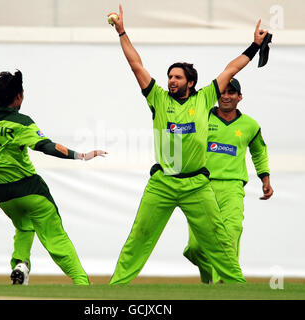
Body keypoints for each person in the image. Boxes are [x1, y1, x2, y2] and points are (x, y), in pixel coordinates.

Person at [108, 4, 270, 284]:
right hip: (163, 183)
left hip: (197, 185)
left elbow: (231, 68)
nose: (171, 80)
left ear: (190, 82)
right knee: (139, 237)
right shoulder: (157, 98)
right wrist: (122, 31)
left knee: (220, 241)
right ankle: (115, 287)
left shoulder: (205, 98)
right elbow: (136, 65)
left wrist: (255, 45)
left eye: (177, 77)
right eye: (170, 76)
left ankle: (237, 287)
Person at [0, 70, 107, 285]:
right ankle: (82, 282)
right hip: (30, 190)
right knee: (55, 237)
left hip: (4, 195)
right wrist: (80, 155)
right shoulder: (22, 123)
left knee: (24, 226)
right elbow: (46, 146)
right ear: (18, 97)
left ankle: (21, 265)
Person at [183, 78, 273, 284]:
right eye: (223, 92)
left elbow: (259, 152)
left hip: (232, 187)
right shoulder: (201, 116)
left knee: (231, 232)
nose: (226, 96)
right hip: (200, 186)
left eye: (232, 92)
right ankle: (210, 279)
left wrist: (265, 178)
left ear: (239, 97)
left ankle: (224, 283)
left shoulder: (250, 125)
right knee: (197, 247)